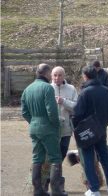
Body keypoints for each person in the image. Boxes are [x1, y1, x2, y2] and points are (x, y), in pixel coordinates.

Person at [72, 65, 108, 196]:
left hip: (86, 131)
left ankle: (93, 189)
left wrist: (76, 128)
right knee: (105, 158)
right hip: (101, 130)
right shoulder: (105, 91)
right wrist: (103, 124)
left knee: (87, 159)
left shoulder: (84, 92)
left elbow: (77, 114)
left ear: (85, 76)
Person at [21, 63, 67, 196]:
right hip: (48, 128)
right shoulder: (47, 88)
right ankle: (56, 190)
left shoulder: (27, 89)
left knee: (37, 158)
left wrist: (34, 121)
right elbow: (52, 111)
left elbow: (24, 112)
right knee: (55, 158)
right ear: (47, 74)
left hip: (34, 127)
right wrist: (56, 125)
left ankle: (38, 190)